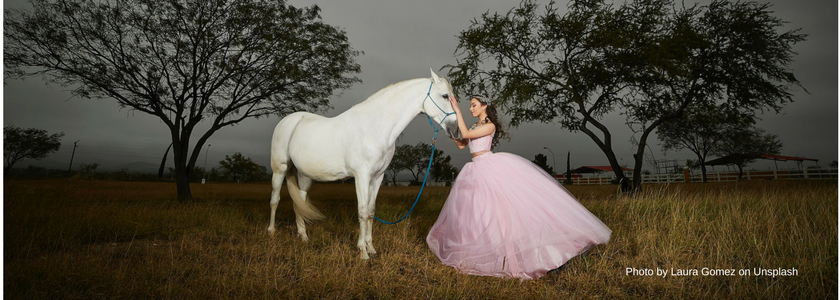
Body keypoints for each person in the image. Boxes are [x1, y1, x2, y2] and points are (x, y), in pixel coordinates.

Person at [426, 94, 612, 280]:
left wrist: (456, 110)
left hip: (489, 167)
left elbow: (466, 134)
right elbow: (462, 143)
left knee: (505, 211)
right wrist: (449, 130)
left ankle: (532, 252)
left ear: (484, 107)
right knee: (479, 212)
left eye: (473, 105)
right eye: (469, 106)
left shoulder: (489, 126)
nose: (470, 109)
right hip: (475, 169)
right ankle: (485, 248)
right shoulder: (475, 126)